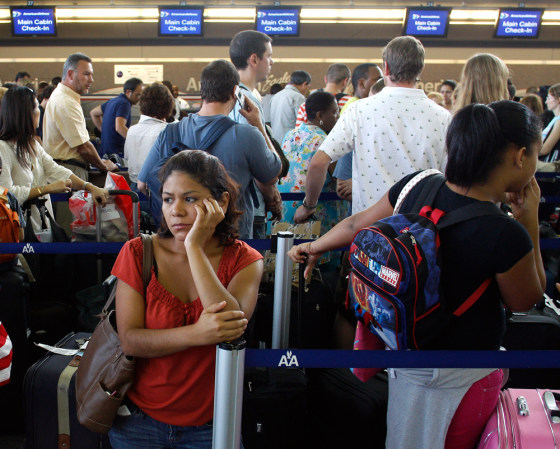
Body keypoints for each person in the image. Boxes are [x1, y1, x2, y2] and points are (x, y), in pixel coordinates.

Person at [289, 100, 545, 449]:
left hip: (403, 355)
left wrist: (316, 246)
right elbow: (526, 299)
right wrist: (529, 220)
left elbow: (356, 223)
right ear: (519, 157)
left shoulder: (418, 184)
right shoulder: (504, 233)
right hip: (464, 375)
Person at [108, 150, 262, 449]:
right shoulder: (138, 252)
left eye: (190, 199)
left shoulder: (245, 260)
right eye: (168, 199)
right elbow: (130, 340)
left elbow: (231, 328)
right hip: (137, 422)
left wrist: (194, 247)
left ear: (222, 202)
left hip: (212, 425)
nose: (175, 210)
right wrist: (196, 334)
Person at [294, 36, 450, 223]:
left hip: (369, 232)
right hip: (419, 233)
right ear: (421, 68)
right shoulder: (444, 118)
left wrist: (308, 206)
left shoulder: (359, 110)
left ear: (386, 68)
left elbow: (318, 163)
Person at [137, 60, 282, 237]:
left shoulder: (170, 132)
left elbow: (142, 184)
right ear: (235, 91)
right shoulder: (247, 135)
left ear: (202, 90)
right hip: (230, 240)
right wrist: (259, 124)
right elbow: (271, 175)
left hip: (181, 241)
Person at [0, 86, 108, 231]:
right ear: (25, 114)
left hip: (39, 225)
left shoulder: (32, 145)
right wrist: (46, 189)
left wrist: (89, 187)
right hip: (16, 230)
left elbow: (55, 170)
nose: (40, 112)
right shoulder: (3, 148)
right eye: (36, 107)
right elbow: (5, 194)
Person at [43, 52, 116, 233]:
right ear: (70, 74)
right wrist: (103, 165)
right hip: (68, 172)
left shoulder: (66, 98)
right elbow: (82, 146)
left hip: (67, 171)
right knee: (71, 230)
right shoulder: (65, 101)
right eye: (86, 74)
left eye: (91, 74)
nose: (91, 79)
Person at [278, 91, 346, 266]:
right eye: (334, 112)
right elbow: (339, 180)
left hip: (287, 214)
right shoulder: (327, 142)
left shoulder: (289, 135)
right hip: (315, 217)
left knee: (290, 267)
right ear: (320, 115)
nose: (338, 116)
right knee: (319, 270)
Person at [228, 29, 278, 239]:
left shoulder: (232, 96)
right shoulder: (247, 102)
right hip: (250, 205)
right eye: (269, 56)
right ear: (254, 59)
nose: (272, 62)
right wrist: (271, 196)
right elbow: (256, 159)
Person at [124, 83, 173, 192]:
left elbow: (127, 159)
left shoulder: (131, 130)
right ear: (168, 106)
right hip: (159, 191)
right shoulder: (168, 131)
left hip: (134, 189)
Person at [90, 77, 144, 157]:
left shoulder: (113, 101)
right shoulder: (124, 104)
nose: (139, 98)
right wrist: (136, 143)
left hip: (105, 152)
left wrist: (104, 131)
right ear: (128, 92)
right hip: (116, 154)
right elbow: (120, 127)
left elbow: (93, 113)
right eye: (138, 95)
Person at [270, 70, 311, 143]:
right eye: (308, 87)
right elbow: (303, 125)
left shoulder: (275, 97)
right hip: (290, 143)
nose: (307, 90)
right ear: (304, 84)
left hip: (275, 142)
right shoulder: (298, 97)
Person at [539, 83, 560, 160]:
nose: (546, 102)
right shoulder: (555, 119)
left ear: (559, 100)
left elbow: (545, 149)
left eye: (549, 98)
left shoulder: (559, 121)